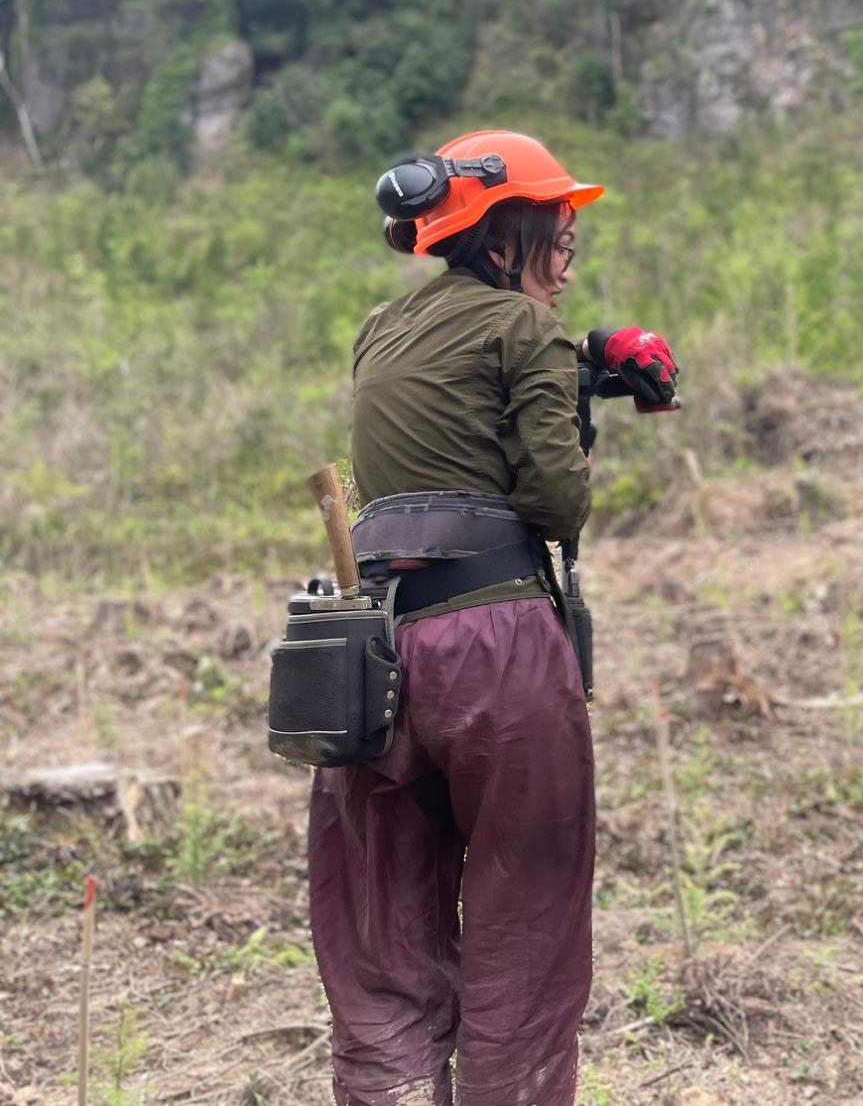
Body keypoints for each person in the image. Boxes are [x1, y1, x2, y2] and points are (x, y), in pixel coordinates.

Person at [307, 129, 678, 1106]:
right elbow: (556, 504)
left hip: (371, 655)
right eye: (559, 236)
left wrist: (581, 362)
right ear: (505, 237)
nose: (568, 257)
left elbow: (448, 405)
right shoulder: (524, 330)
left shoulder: (381, 329)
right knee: (525, 928)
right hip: (495, 653)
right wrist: (571, 374)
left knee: (383, 942)